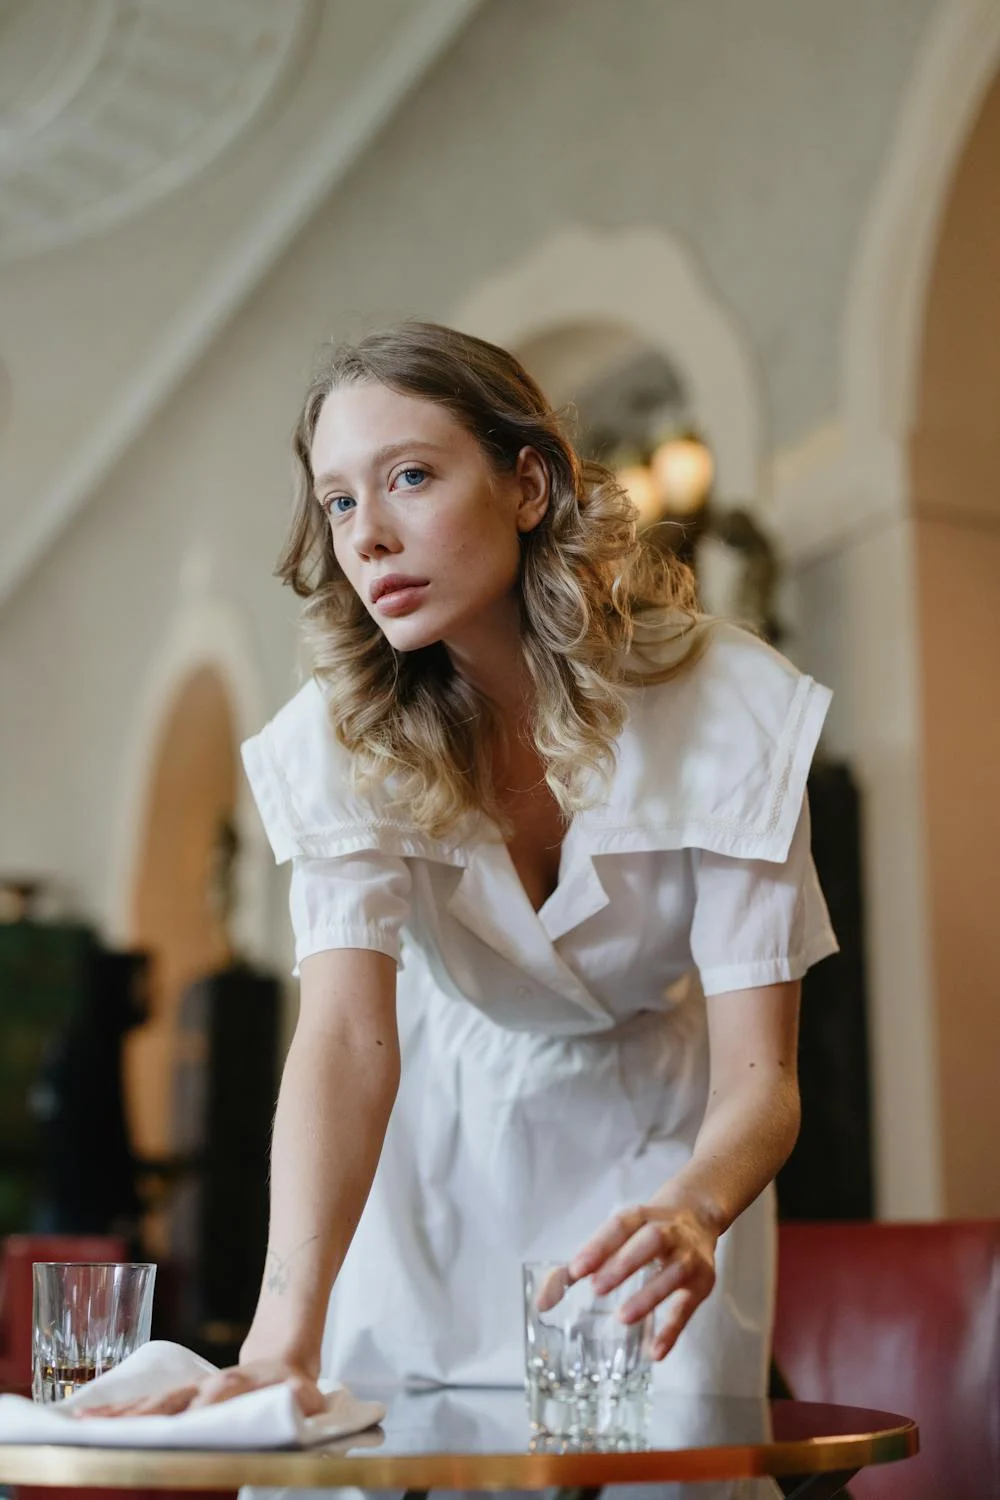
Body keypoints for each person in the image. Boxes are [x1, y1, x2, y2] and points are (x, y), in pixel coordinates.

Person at [87, 321, 837, 1421]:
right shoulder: (339, 736)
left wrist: (693, 1209)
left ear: (527, 483)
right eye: (339, 502)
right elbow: (343, 1037)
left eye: (409, 476)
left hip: (663, 1163)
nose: (369, 536)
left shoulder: (728, 708)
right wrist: (281, 1335)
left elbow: (761, 1077)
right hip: (426, 1163)